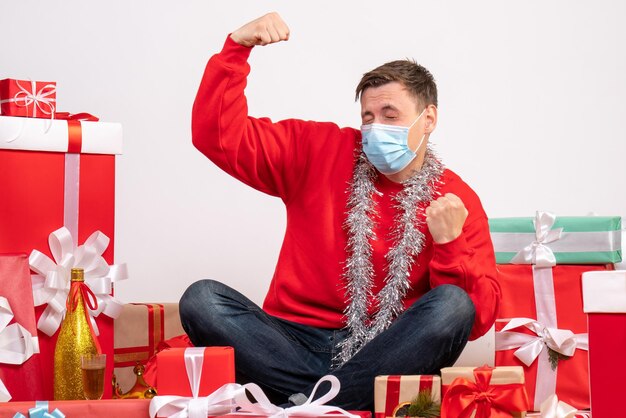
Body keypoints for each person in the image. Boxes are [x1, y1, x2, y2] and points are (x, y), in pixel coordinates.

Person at [180, 12, 500, 410]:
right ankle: (337, 403)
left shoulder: (455, 198)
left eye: (390, 115)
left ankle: (311, 404)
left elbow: (477, 318)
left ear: (428, 119)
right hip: (291, 343)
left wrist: (450, 245)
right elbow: (218, 137)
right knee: (202, 300)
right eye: (368, 116)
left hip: (384, 351)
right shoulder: (318, 149)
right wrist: (237, 48)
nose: (375, 127)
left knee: (453, 304)